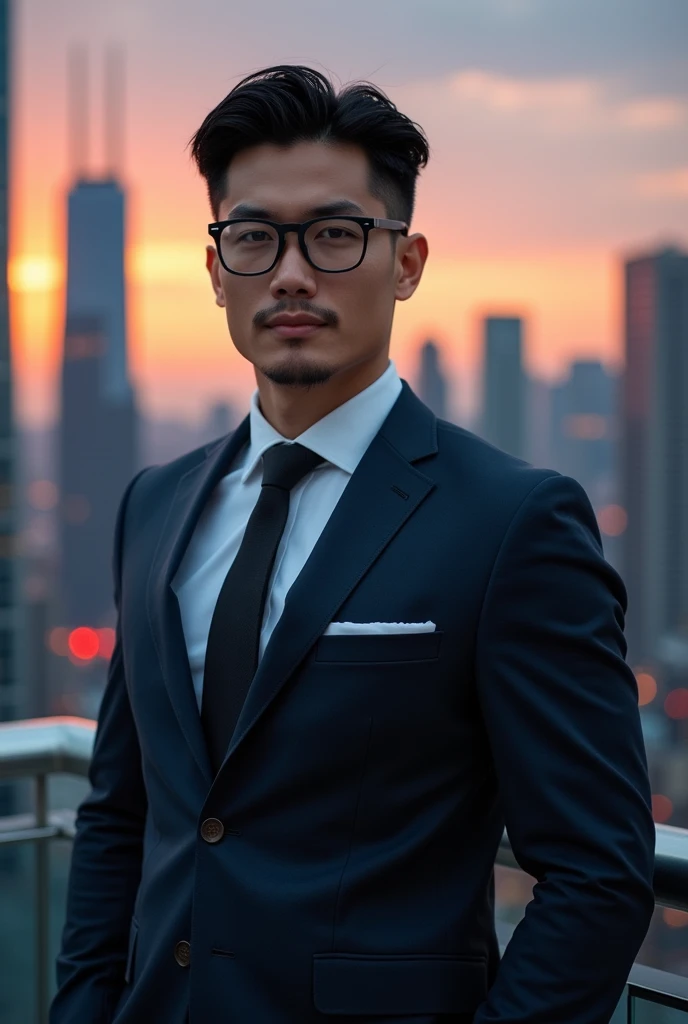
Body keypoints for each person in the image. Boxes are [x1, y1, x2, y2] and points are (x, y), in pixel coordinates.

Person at [50, 64, 655, 1024]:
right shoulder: (155, 504)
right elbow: (124, 811)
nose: (291, 273)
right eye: (253, 237)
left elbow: (599, 869)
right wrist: (81, 1004)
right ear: (215, 270)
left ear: (407, 262)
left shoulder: (513, 522)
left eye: (335, 234)